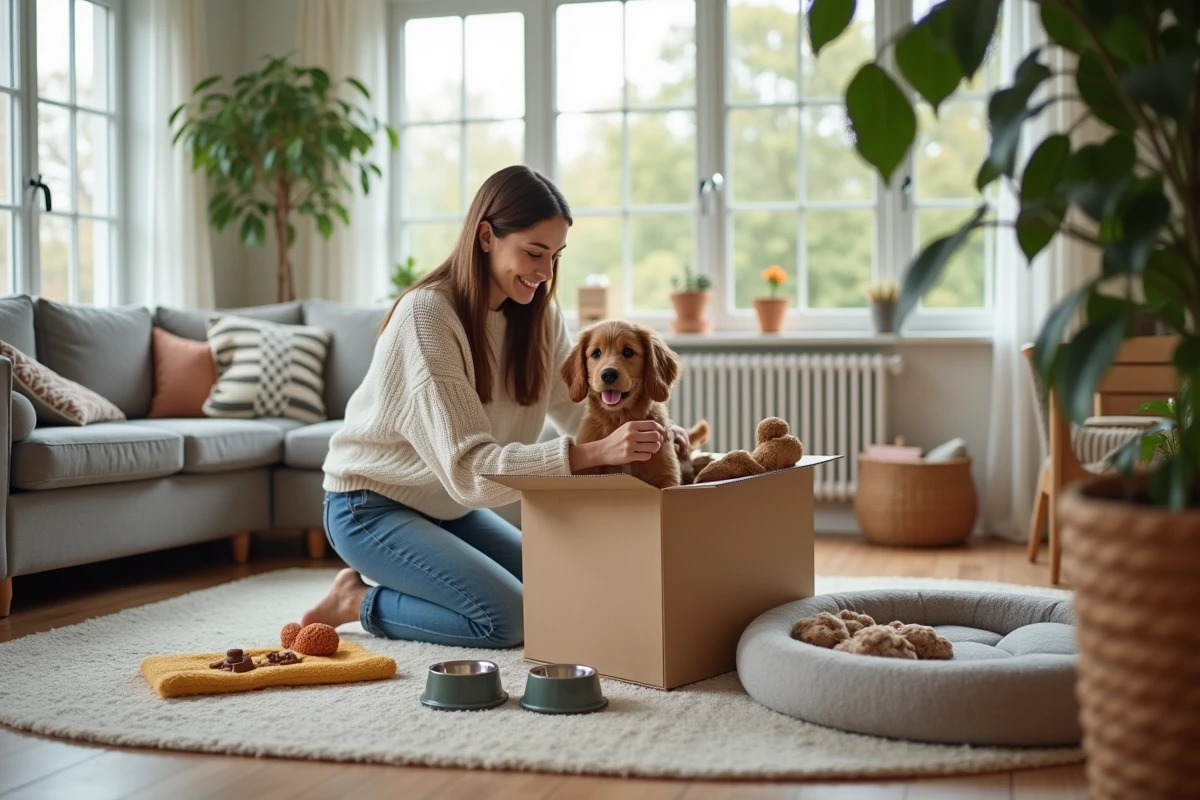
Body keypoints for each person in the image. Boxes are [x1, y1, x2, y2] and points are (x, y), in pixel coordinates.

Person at [301, 165, 692, 648]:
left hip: (447, 506)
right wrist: (592, 453)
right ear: (487, 237)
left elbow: (580, 408)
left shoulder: (539, 316)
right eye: (534, 253)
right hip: (370, 504)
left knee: (566, 589)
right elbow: (470, 468)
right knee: (508, 620)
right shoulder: (426, 318)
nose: (545, 273)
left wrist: (651, 431)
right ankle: (356, 600)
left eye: (555, 257)